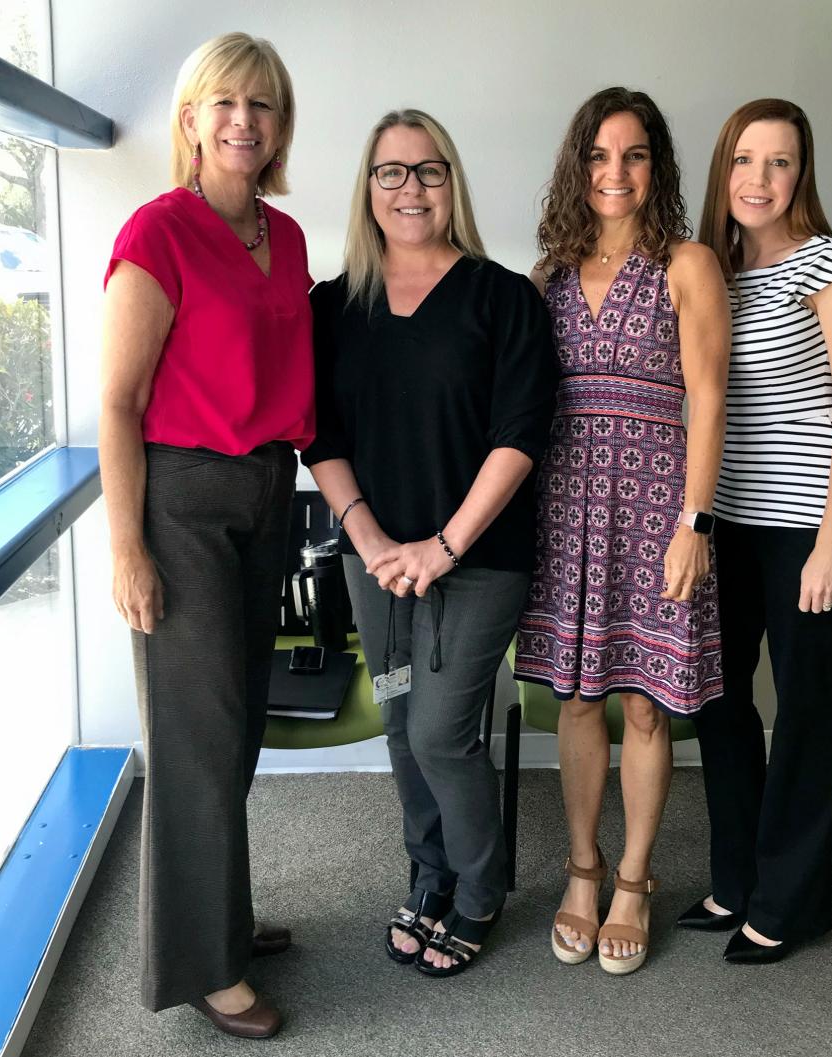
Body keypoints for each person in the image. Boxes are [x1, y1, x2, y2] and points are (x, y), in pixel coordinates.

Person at [302, 108, 557, 977]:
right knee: (403, 720)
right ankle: (430, 870)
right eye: (391, 173)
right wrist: (370, 539)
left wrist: (442, 546)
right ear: (367, 191)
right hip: (375, 563)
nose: (411, 188)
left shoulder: (504, 295)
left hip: (477, 559)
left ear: (454, 182)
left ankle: (481, 889)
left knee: (446, 732)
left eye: (430, 170)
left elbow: (520, 434)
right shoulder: (331, 305)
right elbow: (320, 434)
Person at [99, 32, 314, 1037]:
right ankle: (202, 964)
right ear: (189, 120)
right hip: (181, 502)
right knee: (194, 742)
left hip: (268, 493)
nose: (244, 120)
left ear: (279, 127)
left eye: (263, 105)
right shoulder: (158, 233)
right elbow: (117, 402)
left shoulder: (290, 237)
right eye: (224, 102)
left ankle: (218, 917)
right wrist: (127, 548)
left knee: (231, 734)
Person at [514, 87, 731, 975]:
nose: (615, 172)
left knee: (644, 702)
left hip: (657, 515)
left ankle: (634, 879)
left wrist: (695, 521)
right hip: (566, 512)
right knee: (575, 698)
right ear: (578, 166)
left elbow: (711, 397)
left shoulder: (687, 264)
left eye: (634, 154)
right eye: (599, 155)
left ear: (657, 166)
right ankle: (582, 868)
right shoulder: (546, 276)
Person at [677, 99, 832, 963]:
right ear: (723, 169)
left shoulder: (825, 262)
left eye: (781, 162)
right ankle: (735, 879)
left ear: (803, 173)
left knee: (801, 710)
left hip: (812, 527)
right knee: (720, 705)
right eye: (745, 160)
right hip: (727, 523)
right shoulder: (710, 268)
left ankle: (793, 903)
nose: (760, 179)